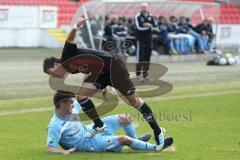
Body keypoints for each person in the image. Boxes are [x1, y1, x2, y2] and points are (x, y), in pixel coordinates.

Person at [43, 18, 166, 149]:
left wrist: (75, 27)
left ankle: (158, 131)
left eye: (51, 72)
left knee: (135, 102)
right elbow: (91, 66)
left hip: (115, 66)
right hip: (102, 73)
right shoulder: (70, 70)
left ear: (56, 64)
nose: (53, 75)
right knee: (80, 95)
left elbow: (69, 40)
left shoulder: (66, 57)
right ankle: (98, 124)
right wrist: (103, 85)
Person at [46, 91, 170, 154]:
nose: (73, 104)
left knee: (125, 118)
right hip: (89, 144)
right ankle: (156, 148)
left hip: (90, 130)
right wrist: (64, 151)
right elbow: (49, 148)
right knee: (123, 139)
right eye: (70, 102)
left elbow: (82, 97)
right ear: (61, 104)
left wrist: (102, 88)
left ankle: (137, 141)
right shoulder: (55, 125)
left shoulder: (71, 108)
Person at [135, 3, 157, 82]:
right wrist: (149, 27)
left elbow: (155, 26)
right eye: (142, 7)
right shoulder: (138, 16)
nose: (144, 8)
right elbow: (139, 27)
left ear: (148, 8)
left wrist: (149, 25)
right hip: (140, 40)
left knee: (147, 58)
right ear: (140, 8)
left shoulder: (151, 16)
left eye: (145, 7)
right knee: (140, 58)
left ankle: (145, 75)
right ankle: (138, 75)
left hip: (149, 40)